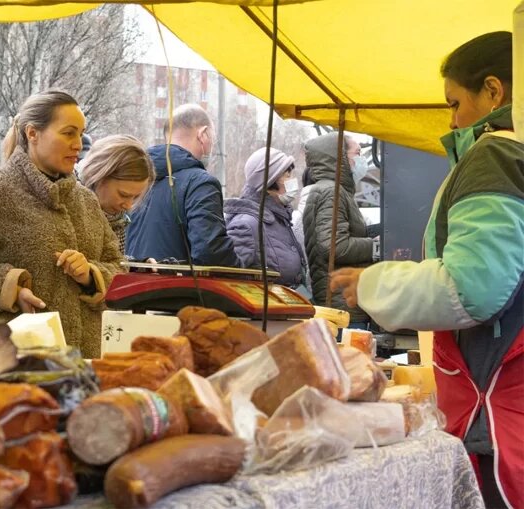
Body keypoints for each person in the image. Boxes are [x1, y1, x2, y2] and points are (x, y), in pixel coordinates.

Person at [331, 32, 522, 508]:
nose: (453, 120)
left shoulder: (496, 154)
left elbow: (471, 288)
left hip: (500, 408)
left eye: (455, 103)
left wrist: (370, 283)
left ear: (494, 91)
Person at [0, 90, 122, 358]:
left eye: (81, 133)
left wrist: (90, 275)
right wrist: (11, 287)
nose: (78, 143)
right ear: (32, 133)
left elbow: (116, 267)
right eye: (68, 132)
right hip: (16, 364)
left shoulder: (86, 201)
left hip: (86, 362)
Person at [126, 104, 238, 266]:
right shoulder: (201, 183)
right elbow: (211, 253)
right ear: (203, 134)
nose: (212, 146)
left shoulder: (133, 177)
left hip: (132, 286)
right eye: (213, 138)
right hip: (179, 288)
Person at [302, 132, 376, 325]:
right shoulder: (330, 192)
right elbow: (333, 245)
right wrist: (374, 247)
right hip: (340, 305)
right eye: (357, 153)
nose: (361, 160)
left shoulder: (336, 191)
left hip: (342, 301)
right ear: (340, 158)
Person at [224, 148, 307, 290]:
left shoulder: (279, 219)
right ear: (268, 183)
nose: (293, 181)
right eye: (287, 175)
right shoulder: (247, 225)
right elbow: (231, 281)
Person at [78, 134, 155, 255]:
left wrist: (137, 266)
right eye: (123, 195)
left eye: (135, 197)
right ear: (98, 177)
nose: (129, 206)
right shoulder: (70, 208)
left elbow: (111, 262)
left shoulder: (116, 219)